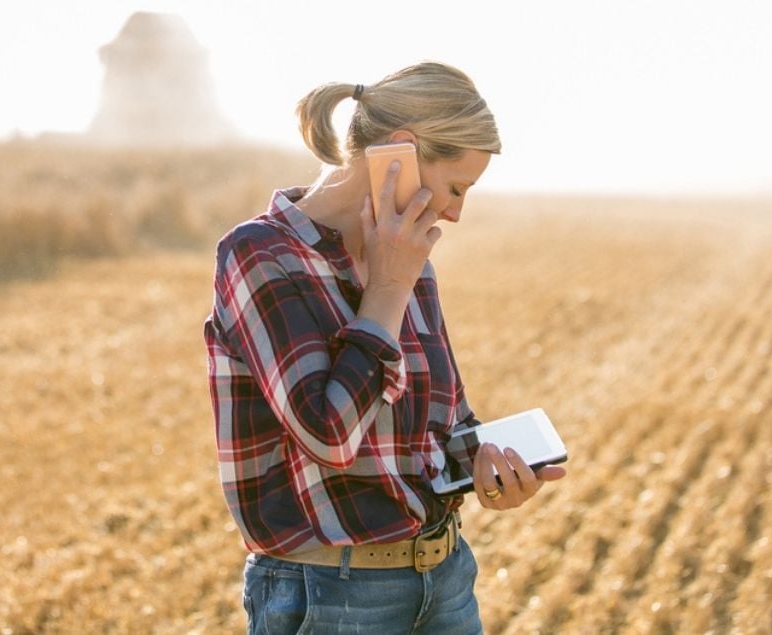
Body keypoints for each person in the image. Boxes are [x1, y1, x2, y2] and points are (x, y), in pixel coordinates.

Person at [203, 61, 567, 634]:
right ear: (398, 152)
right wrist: (388, 288)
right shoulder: (261, 255)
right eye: (455, 187)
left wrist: (484, 466)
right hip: (331, 596)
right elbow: (330, 437)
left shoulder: (408, 262)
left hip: (446, 580)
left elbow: (444, 426)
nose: (455, 212)